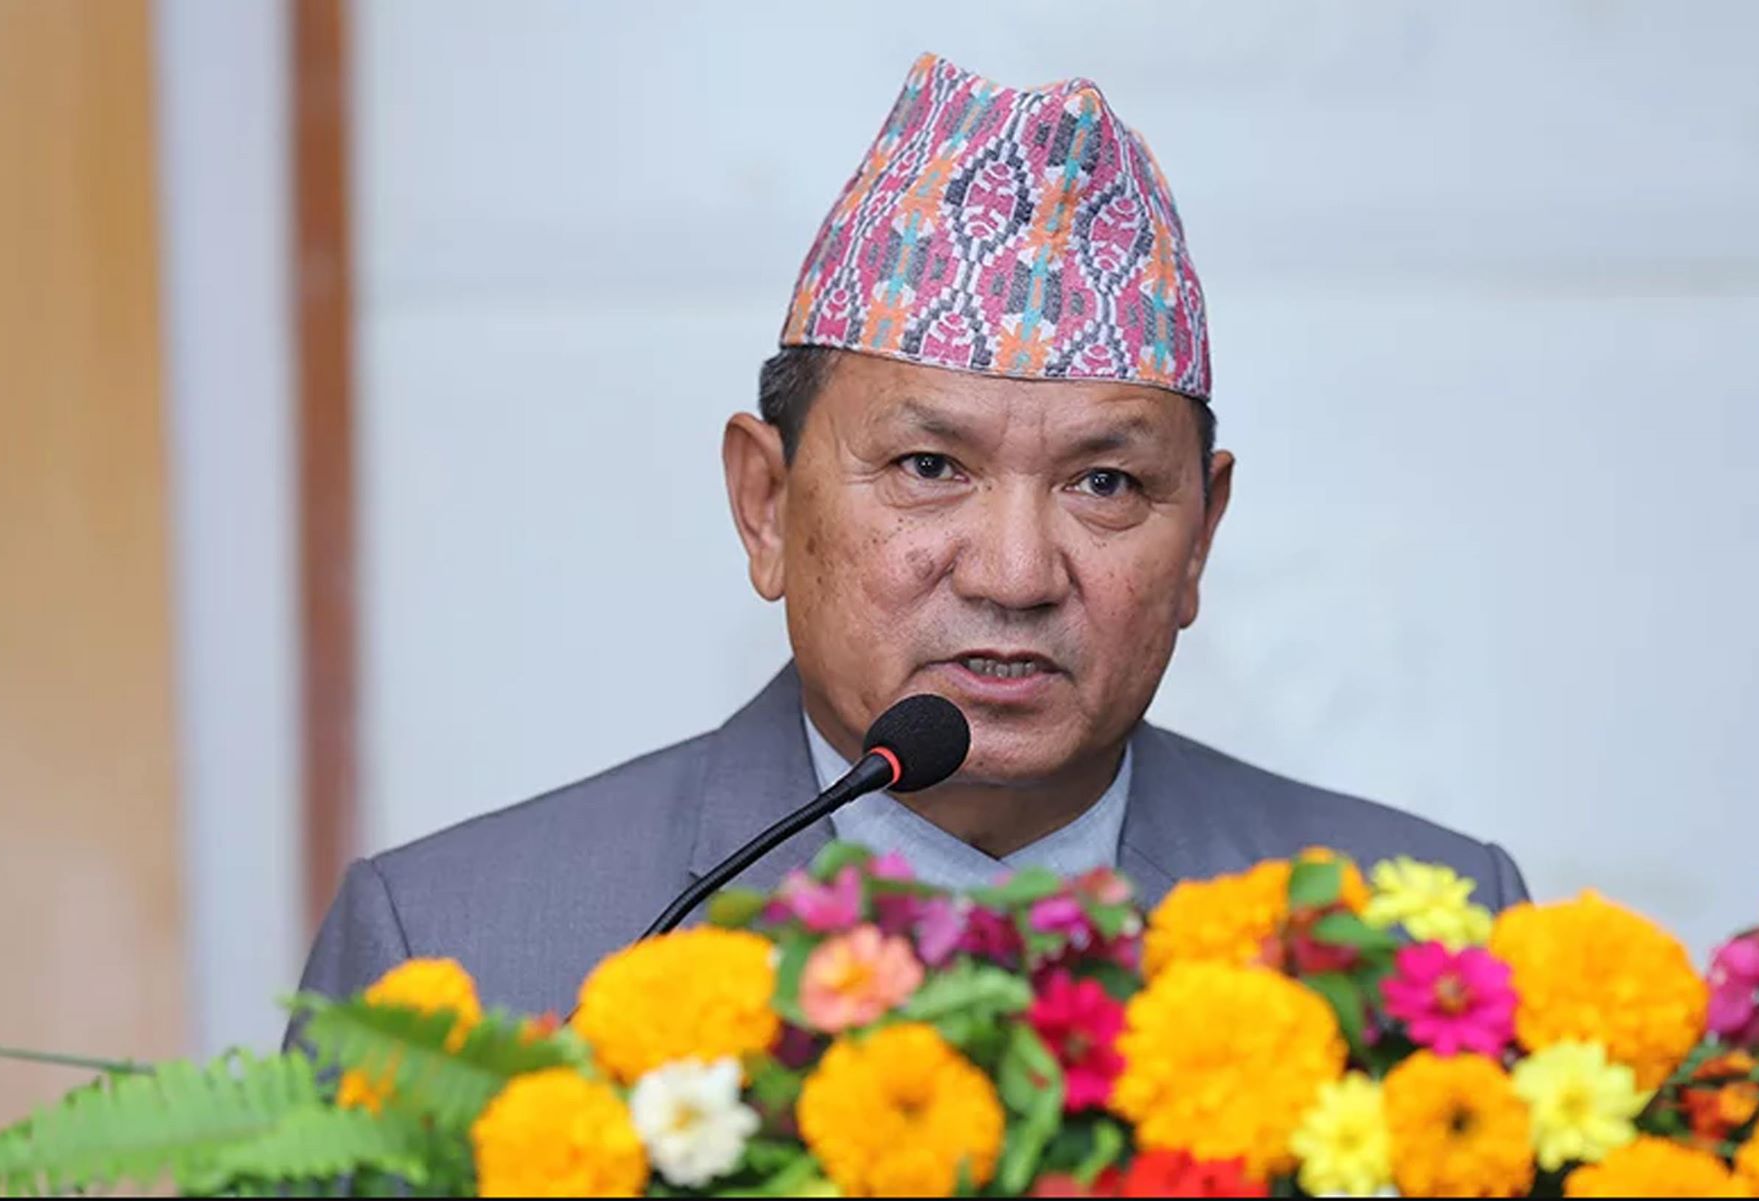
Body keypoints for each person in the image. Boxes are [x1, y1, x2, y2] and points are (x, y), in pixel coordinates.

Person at [296, 54, 1526, 1017]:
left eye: (1104, 482)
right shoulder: (457, 954)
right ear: (765, 504)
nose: (1013, 575)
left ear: (1198, 538)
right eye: (929, 468)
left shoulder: (1436, 950)